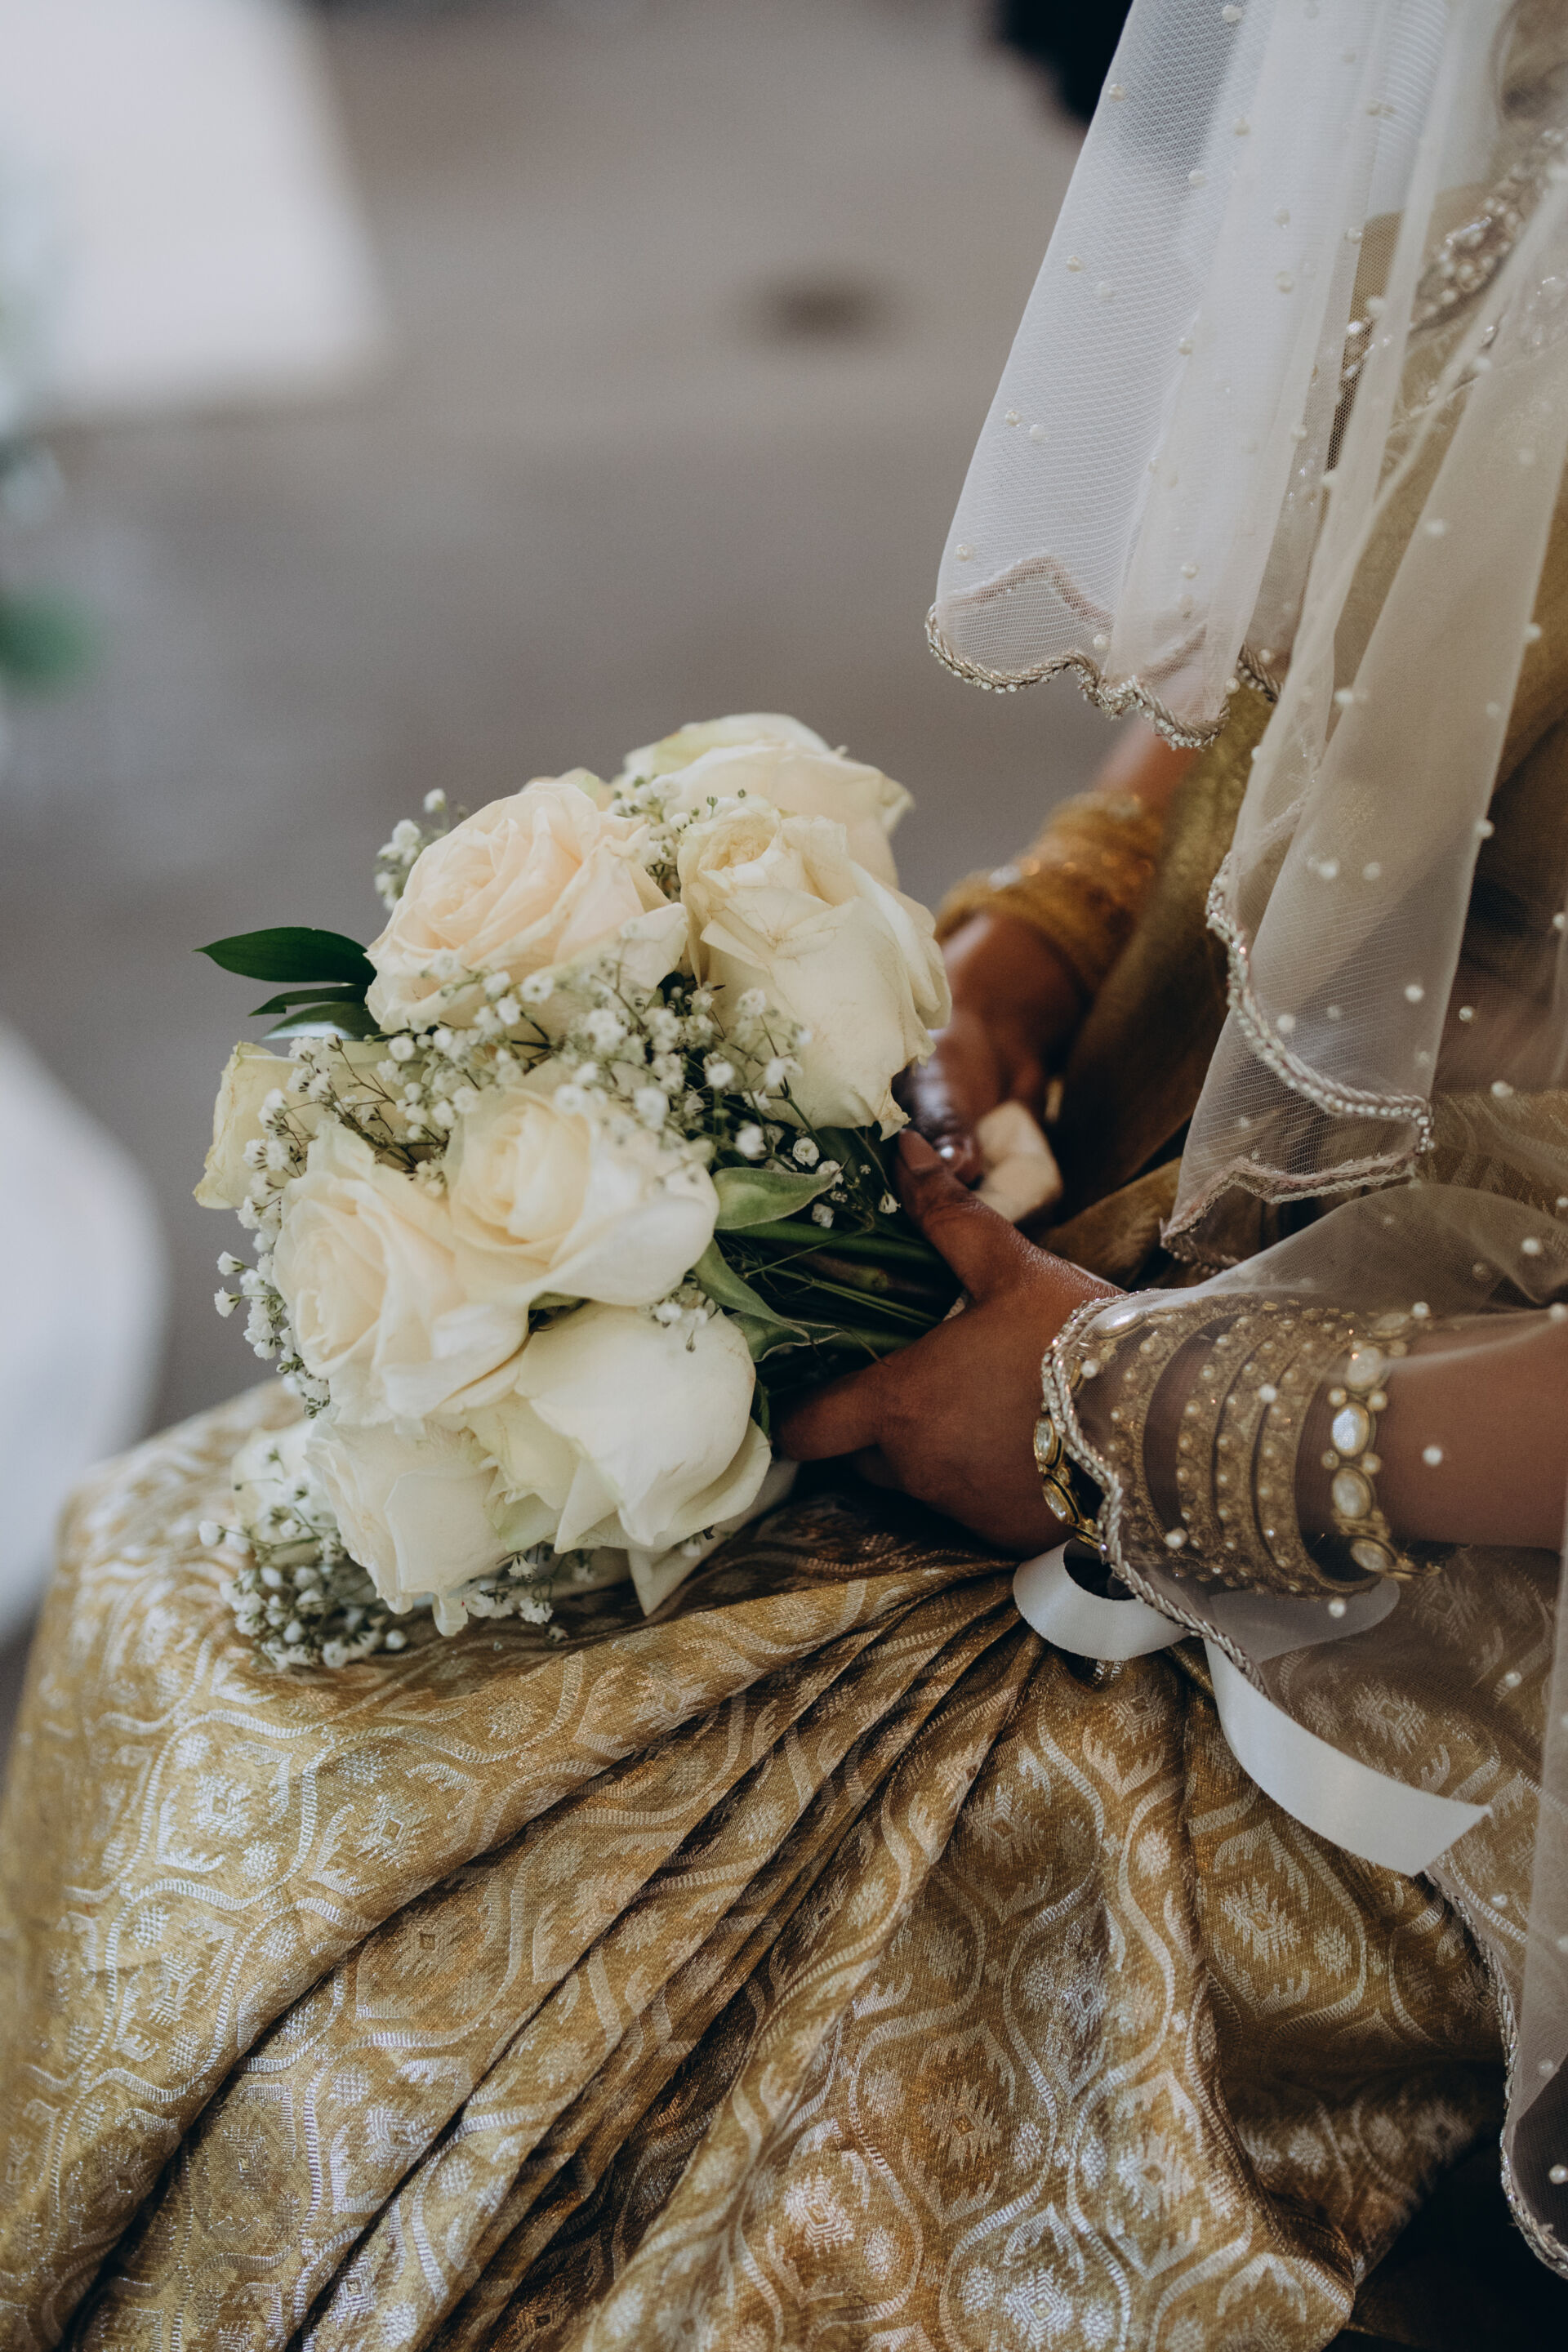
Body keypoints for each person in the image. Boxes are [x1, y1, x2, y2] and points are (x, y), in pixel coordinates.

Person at [4, 3, 1568, 2345]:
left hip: (1461, 1503)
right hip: (1193, 1196)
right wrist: (1040, 941)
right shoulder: (1490, 94)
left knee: (665, 2112)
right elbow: (1333, 644)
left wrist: (1150, 1428)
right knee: (190, 1595)